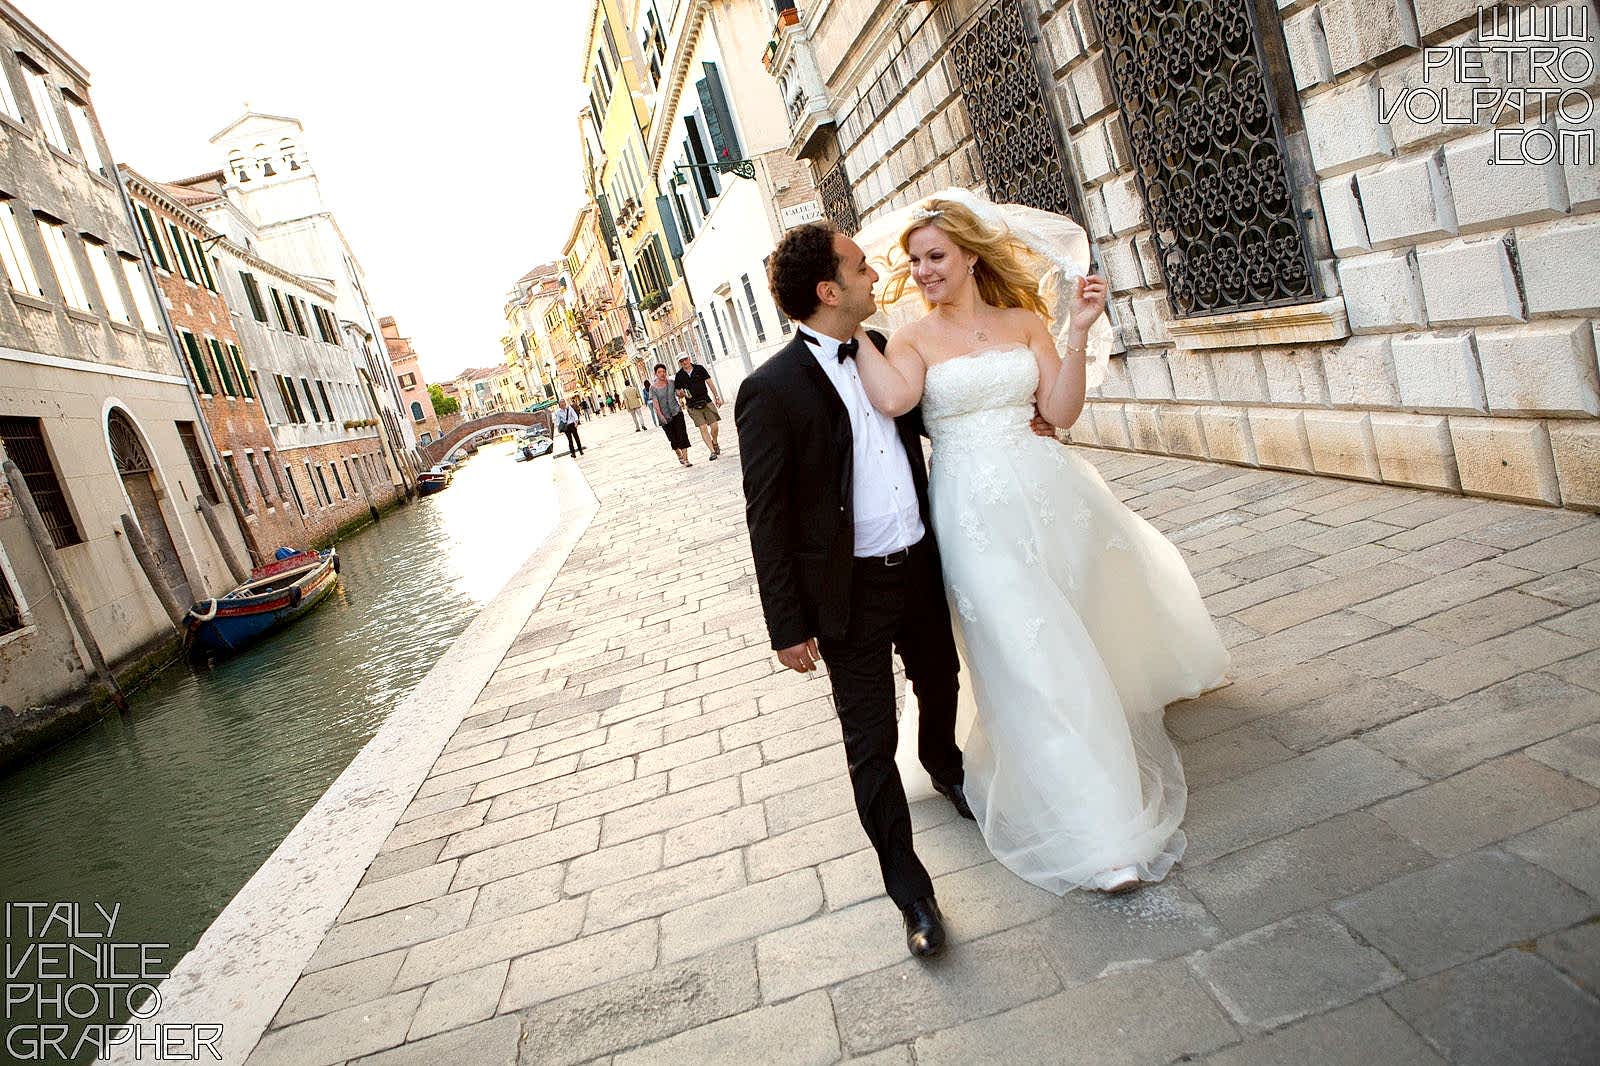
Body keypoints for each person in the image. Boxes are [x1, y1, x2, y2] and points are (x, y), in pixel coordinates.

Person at [849, 193, 1230, 896]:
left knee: (1071, 638)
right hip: (970, 515)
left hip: (1050, 499)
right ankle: (1098, 827)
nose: (924, 271)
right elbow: (896, 403)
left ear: (969, 254)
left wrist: (1077, 328)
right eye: (915, 261)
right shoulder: (908, 341)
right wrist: (849, 333)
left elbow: (1058, 411)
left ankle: (1094, 759)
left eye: (936, 256)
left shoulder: (1027, 322)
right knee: (1030, 654)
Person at [737, 223, 971, 960]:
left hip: (919, 563)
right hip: (849, 591)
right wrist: (787, 625)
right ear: (828, 290)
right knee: (869, 745)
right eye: (862, 268)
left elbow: (943, 418)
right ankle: (913, 895)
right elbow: (766, 517)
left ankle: (945, 765)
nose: (879, 276)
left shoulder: (886, 346)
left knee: (942, 679)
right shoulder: (767, 391)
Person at [674, 354, 724, 460]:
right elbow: (677, 391)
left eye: (685, 359)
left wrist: (716, 396)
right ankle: (712, 451)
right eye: (681, 361)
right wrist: (681, 393)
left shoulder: (699, 368)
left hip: (706, 401)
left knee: (714, 426)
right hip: (692, 405)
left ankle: (714, 442)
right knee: (703, 427)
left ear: (689, 359)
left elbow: (709, 382)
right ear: (679, 363)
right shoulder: (679, 375)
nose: (684, 362)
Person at [649, 363, 694, 467]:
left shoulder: (672, 383)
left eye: (664, 371)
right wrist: (661, 416)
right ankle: (679, 454)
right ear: (655, 374)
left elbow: (678, 393)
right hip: (664, 416)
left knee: (682, 435)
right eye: (659, 372)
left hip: (676, 412)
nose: (662, 374)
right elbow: (655, 404)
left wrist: (682, 393)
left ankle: (686, 459)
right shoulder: (653, 388)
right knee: (673, 439)